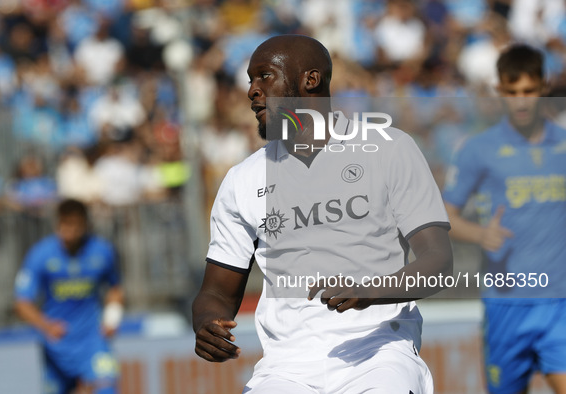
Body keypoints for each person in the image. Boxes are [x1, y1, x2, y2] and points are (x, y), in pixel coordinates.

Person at [192, 34, 453, 393]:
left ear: (309, 81)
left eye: (264, 76)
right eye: (249, 80)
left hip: (378, 354)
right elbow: (217, 293)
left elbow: (438, 262)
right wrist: (206, 322)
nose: (252, 91)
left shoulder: (389, 149)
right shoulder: (242, 179)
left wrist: (370, 291)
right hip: (286, 368)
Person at [443, 44, 566, 393]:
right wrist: (480, 234)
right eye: (512, 92)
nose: (522, 101)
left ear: (545, 86)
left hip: (560, 303)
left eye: (529, 90)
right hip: (505, 302)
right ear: (500, 91)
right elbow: (443, 216)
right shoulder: (478, 149)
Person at [15, 198, 123, 394]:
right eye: (65, 225)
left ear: (86, 225)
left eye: (76, 226)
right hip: (58, 344)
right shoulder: (40, 254)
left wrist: (112, 319)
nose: (70, 232)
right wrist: (46, 326)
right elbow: (22, 302)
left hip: (93, 340)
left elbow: (115, 288)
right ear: (58, 224)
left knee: (107, 389)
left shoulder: (102, 251)